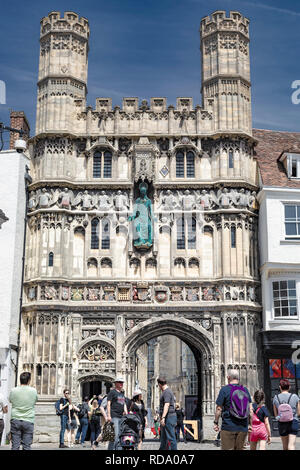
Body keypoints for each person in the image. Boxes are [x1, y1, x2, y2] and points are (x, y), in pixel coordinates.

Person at [214, 369, 251, 450]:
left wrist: (216, 423)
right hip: (243, 427)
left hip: (228, 426)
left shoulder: (224, 390)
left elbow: (219, 409)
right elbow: (250, 410)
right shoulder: (245, 390)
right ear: (238, 378)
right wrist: (249, 424)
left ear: (228, 377)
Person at [9, 371, 38, 450]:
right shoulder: (33, 391)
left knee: (15, 446)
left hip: (16, 419)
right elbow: (35, 401)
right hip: (28, 420)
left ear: (20, 380)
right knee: (27, 446)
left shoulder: (13, 390)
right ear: (29, 381)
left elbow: (10, 400)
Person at [273, 378, 300, 450]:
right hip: (293, 421)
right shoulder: (295, 397)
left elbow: (276, 415)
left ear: (280, 387)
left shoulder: (276, 397)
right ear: (289, 387)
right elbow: (299, 412)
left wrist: (280, 418)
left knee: (285, 447)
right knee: (291, 446)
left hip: (282, 423)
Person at [107, 377, 128, 450]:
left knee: (119, 435)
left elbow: (124, 403)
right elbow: (108, 404)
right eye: (119, 382)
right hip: (114, 416)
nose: (121, 384)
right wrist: (109, 415)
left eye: (122, 382)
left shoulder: (122, 393)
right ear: (115, 383)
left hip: (121, 416)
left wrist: (126, 412)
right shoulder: (112, 392)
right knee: (115, 435)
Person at [157, 376, 177, 450]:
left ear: (159, 384)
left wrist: (163, 417)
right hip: (168, 417)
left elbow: (167, 404)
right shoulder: (166, 392)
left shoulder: (167, 392)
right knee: (164, 438)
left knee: (171, 438)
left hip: (169, 417)